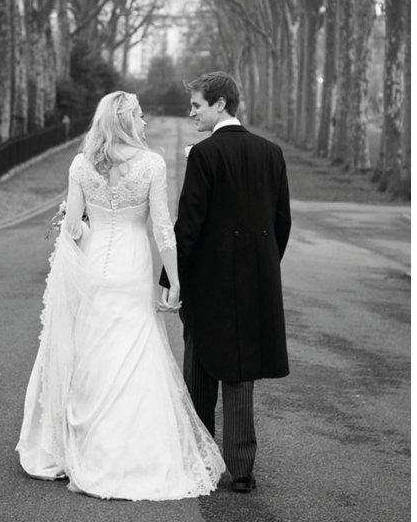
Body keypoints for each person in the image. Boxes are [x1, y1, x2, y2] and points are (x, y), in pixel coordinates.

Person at [16, 91, 226, 500]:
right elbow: (163, 228)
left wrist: (70, 220)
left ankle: (85, 440)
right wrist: (175, 278)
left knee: (93, 347)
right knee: (131, 351)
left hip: (95, 266)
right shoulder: (151, 164)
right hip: (132, 267)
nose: (146, 122)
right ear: (128, 120)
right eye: (142, 116)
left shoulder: (82, 164)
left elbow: (75, 227)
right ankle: (133, 447)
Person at [160, 72, 291, 493]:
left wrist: (172, 277)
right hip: (256, 281)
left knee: (201, 367)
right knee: (241, 371)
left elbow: (190, 225)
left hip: (209, 282)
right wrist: (263, 265)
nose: (192, 112)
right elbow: (282, 221)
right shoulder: (271, 153)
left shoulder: (205, 154)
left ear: (220, 104)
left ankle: (201, 458)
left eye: (197, 105)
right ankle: (241, 469)